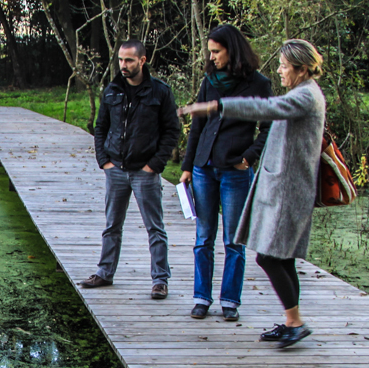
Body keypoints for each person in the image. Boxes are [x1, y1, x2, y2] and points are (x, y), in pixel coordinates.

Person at [178, 38, 325, 348]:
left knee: (269, 258)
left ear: (301, 69)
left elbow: (266, 109)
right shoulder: (303, 93)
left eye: (285, 67)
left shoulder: (305, 97)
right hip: (286, 187)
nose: (280, 71)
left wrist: (219, 105)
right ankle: (291, 320)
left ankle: (295, 321)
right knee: (281, 259)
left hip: (290, 190)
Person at [179, 25, 272, 322]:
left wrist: (249, 157)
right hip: (204, 167)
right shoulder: (210, 80)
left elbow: (268, 127)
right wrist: (186, 166)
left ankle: (230, 301)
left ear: (232, 50)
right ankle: (201, 298)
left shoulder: (258, 84)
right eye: (210, 51)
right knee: (203, 236)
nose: (211, 56)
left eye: (216, 51)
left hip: (235, 169)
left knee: (233, 240)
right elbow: (198, 124)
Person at [80, 39, 182, 300]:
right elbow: (100, 126)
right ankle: (105, 273)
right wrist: (104, 160)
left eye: (129, 61)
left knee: (155, 227)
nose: (123, 65)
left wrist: (154, 165)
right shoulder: (112, 90)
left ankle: (160, 280)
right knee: (112, 225)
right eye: (120, 60)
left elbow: (172, 131)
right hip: (115, 168)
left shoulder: (160, 92)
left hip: (145, 171)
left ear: (142, 61)